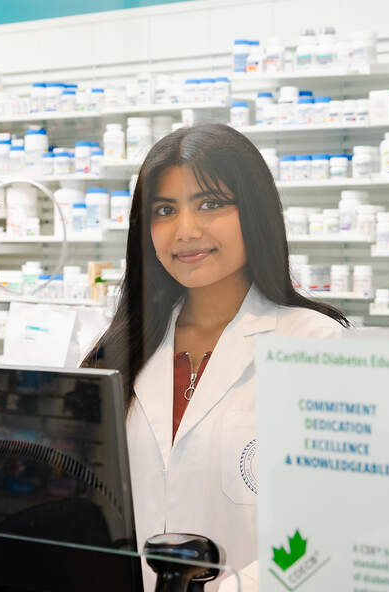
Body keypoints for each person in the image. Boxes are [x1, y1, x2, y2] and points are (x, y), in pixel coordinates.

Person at [82, 123, 350, 590]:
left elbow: (331, 524)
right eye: (165, 210)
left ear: (255, 213)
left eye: (210, 203)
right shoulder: (121, 347)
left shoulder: (314, 346)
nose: (186, 230)